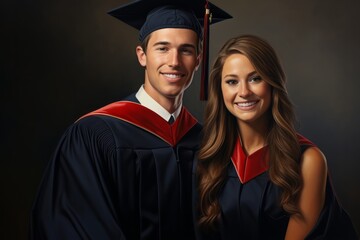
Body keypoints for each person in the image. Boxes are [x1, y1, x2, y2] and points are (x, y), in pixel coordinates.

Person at [29, 0, 231, 239]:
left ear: (198, 60)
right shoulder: (95, 134)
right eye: (162, 48)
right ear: (142, 56)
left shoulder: (204, 141)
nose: (174, 61)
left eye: (186, 50)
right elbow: (74, 224)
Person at [195, 35, 358, 239]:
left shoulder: (308, 161)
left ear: (273, 84)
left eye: (255, 79)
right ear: (220, 90)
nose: (244, 92)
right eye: (232, 81)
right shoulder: (209, 156)